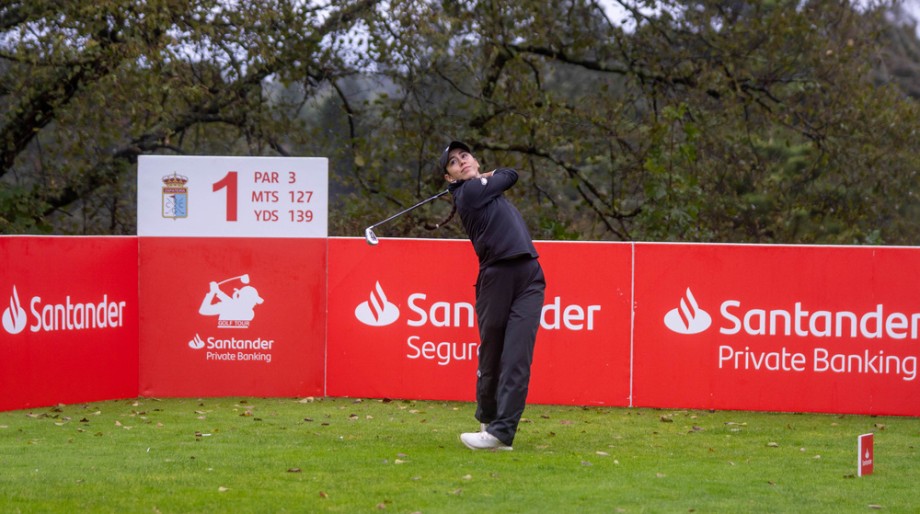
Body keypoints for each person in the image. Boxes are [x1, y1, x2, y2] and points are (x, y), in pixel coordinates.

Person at [439, 140, 546, 451]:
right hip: (496, 277)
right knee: (492, 355)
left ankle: (501, 433)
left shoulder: (482, 188)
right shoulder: (469, 193)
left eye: (464, 156)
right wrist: (484, 177)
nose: (462, 161)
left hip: (529, 275)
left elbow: (508, 175)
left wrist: (483, 176)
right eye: (454, 163)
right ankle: (487, 417)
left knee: (517, 358)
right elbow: (510, 174)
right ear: (450, 178)